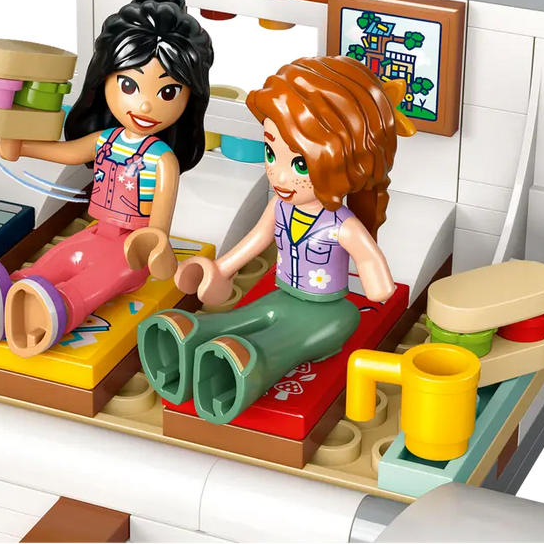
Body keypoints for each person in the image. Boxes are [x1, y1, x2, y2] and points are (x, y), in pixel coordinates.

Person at [138, 55, 415, 424]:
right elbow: (254, 241)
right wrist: (219, 269)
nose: (280, 175)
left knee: (283, 341)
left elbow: (368, 259)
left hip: (329, 313)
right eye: (271, 153)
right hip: (281, 295)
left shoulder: (341, 225)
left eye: (299, 164)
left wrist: (377, 282)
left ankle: (247, 363)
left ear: (348, 166)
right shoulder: (279, 209)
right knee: (244, 317)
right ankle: (194, 333)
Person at [0, 0, 213, 357]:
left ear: (190, 98)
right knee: (53, 262)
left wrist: (155, 246)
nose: (144, 104)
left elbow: (158, 228)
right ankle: (6, 295)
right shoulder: (105, 139)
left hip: (129, 255)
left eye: (167, 92)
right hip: (93, 234)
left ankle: (53, 313)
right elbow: (67, 154)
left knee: (89, 285)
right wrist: (15, 146)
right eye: (129, 84)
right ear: (104, 79)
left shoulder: (162, 160)